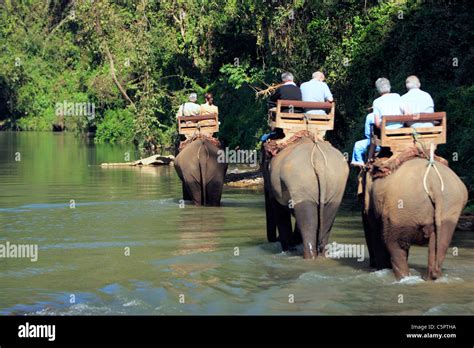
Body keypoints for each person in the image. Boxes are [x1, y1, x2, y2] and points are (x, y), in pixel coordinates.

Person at [351, 78, 402, 167]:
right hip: (401, 133)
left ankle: (362, 164)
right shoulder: (398, 96)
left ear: (378, 90)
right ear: (389, 87)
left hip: (385, 137)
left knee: (358, 145)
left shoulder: (376, 102)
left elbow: (375, 127)